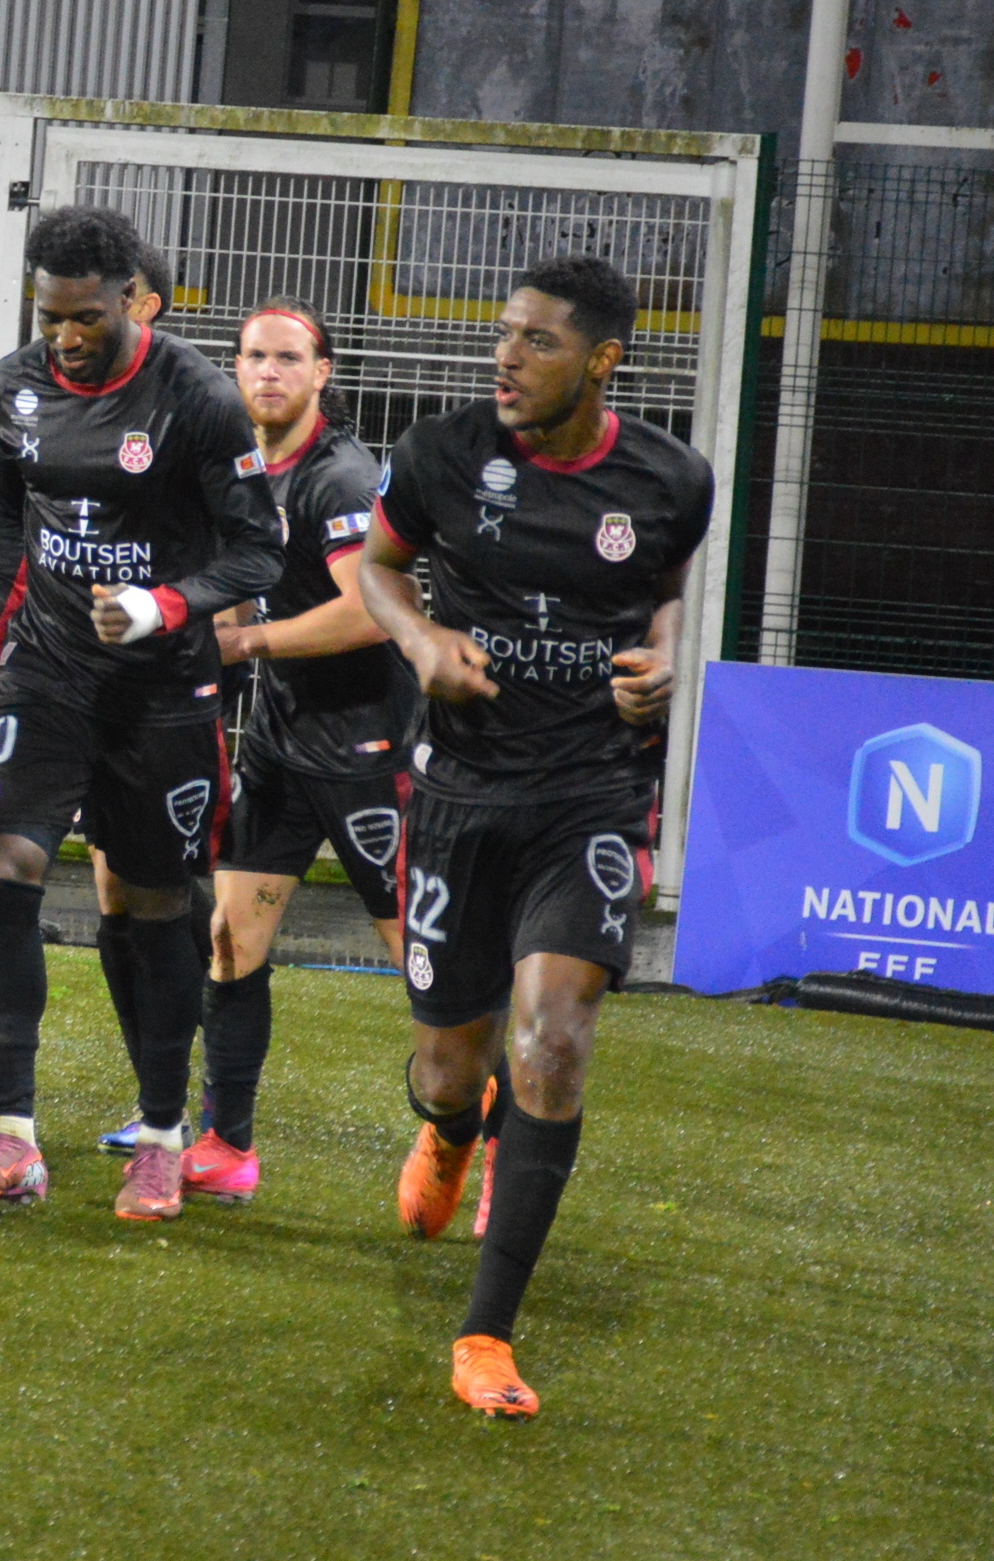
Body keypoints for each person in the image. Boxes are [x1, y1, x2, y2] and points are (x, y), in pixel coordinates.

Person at [356, 254, 711, 1420]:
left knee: (551, 1040)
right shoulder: (439, 453)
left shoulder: (670, 478)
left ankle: (484, 1332)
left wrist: (663, 656)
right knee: (448, 1066)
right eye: (502, 334)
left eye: (535, 341)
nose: (504, 358)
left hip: (588, 793)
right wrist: (420, 643)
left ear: (602, 360)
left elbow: (664, 590)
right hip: (458, 792)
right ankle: (450, 1126)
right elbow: (377, 567)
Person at [0, 205, 280, 1220]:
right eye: (49, 315)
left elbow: (259, 550)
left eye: (84, 316)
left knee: (156, 902)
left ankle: (164, 1139)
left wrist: (165, 603)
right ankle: (11, 1131)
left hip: (160, 691)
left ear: (133, 299)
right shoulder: (14, 384)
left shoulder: (198, 398)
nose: (63, 336)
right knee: (7, 868)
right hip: (45, 674)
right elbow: (5, 517)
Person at [186, 298, 419, 1205]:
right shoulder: (243, 470)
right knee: (231, 939)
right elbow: (255, 585)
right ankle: (227, 1144)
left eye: (288, 358)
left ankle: (489, 1142)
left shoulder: (340, 476)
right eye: (254, 356)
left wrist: (245, 643)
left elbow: (368, 611)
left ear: (323, 374)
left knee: (426, 963)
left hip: (367, 746)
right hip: (281, 743)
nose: (268, 372)